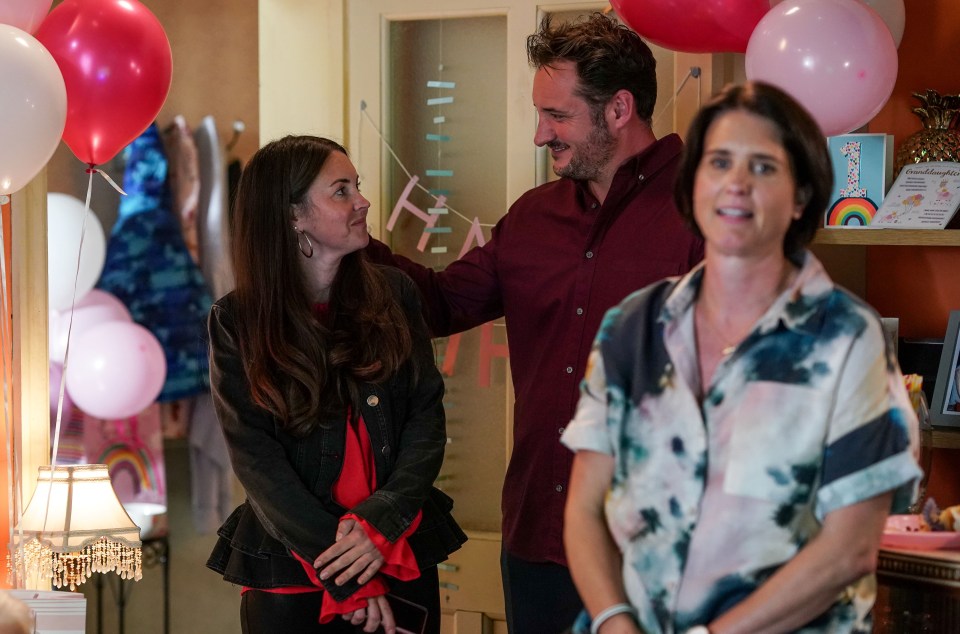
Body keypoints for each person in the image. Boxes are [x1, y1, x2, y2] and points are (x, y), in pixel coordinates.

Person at [366, 13, 704, 631]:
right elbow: (440, 305)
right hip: (536, 539)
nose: (538, 134)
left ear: (619, 108)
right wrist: (350, 244)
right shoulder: (532, 217)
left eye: (557, 116)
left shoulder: (705, 213)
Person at [561, 81, 922, 634]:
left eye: (764, 167)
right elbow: (585, 508)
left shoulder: (847, 338)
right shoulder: (634, 326)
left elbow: (849, 549)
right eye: (720, 162)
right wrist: (614, 622)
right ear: (694, 182)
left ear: (801, 195)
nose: (736, 184)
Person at [205, 135, 466, 633]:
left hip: (394, 546)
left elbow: (426, 420)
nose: (362, 201)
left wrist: (377, 524)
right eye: (341, 190)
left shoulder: (394, 293)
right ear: (294, 216)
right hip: (294, 563)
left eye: (357, 187)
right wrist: (342, 566)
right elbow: (256, 459)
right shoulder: (236, 320)